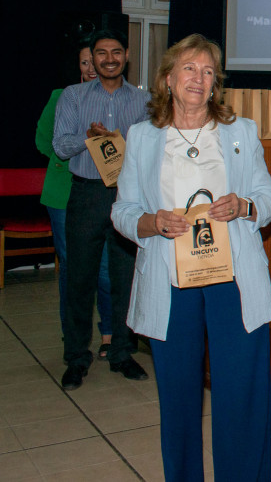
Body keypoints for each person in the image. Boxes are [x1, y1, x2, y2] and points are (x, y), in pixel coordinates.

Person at [111, 34, 271, 482]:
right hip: (170, 281)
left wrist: (243, 206)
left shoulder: (239, 132)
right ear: (168, 79)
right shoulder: (143, 136)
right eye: (189, 68)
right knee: (179, 399)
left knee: (240, 395)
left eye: (208, 72)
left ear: (215, 84)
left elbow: (268, 199)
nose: (198, 78)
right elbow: (123, 211)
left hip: (233, 281)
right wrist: (153, 221)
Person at [52, 29, 150, 390]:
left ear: (126, 56)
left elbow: (152, 152)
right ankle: (76, 357)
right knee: (79, 279)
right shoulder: (73, 97)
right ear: (91, 58)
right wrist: (89, 138)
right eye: (101, 53)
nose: (109, 58)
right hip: (87, 195)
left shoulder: (143, 101)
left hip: (127, 197)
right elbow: (61, 147)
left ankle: (123, 353)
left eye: (116, 52)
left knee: (126, 278)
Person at [35, 41, 114, 357]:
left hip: (104, 194)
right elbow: (44, 142)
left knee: (107, 269)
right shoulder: (61, 97)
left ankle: (109, 334)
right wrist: (76, 151)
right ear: (79, 66)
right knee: (73, 269)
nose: (91, 69)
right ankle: (75, 337)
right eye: (85, 63)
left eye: (95, 62)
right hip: (64, 195)